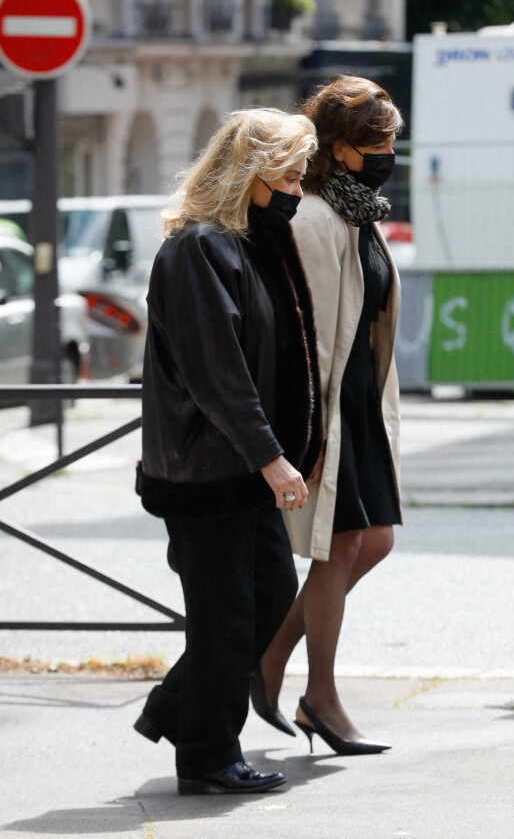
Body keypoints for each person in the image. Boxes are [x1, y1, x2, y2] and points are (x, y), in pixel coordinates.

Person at [133, 108, 322, 794]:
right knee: (227, 614)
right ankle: (210, 758)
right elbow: (219, 371)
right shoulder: (198, 249)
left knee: (268, 593)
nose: (300, 188)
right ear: (253, 172)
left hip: (236, 463)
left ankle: (181, 712)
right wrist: (273, 457)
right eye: (292, 174)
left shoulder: (240, 243)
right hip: (206, 467)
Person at [250, 76, 403, 754]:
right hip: (328, 408)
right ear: (339, 149)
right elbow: (301, 334)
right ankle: (321, 698)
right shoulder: (315, 218)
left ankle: (269, 660)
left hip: (361, 402)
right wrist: (303, 435)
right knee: (340, 546)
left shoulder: (357, 209)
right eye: (380, 140)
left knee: (373, 541)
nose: (390, 150)